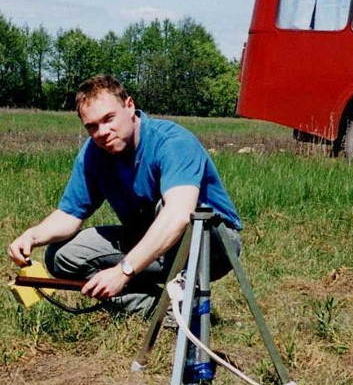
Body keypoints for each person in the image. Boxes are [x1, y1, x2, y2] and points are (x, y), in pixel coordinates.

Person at [8, 75, 242, 316]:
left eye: (109, 119)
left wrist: (123, 271)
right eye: (92, 126)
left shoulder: (172, 142)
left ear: (130, 106)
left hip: (211, 245)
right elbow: (69, 214)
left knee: (168, 208)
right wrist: (32, 236)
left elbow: (178, 215)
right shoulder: (94, 155)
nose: (102, 132)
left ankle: (179, 298)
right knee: (62, 256)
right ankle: (164, 310)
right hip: (149, 242)